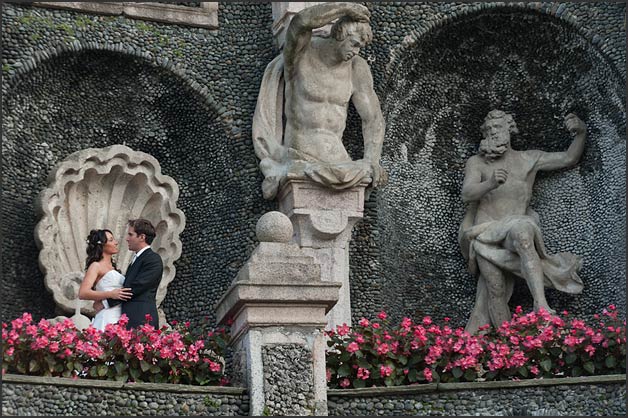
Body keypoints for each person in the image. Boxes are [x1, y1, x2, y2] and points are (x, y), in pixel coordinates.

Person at [459, 110, 586, 334]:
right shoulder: (477, 162)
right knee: (494, 289)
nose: (492, 133)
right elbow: (467, 194)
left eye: (497, 128)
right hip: (485, 233)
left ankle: (541, 304)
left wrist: (580, 133)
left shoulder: (529, 159)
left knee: (523, 230)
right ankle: (506, 341)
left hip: (514, 226)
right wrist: (489, 183)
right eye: (488, 130)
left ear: (510, 129)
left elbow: (568, 158)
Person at [253, 2, 386, 199]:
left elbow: (373, 119)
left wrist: (372, 159)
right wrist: (345, 8)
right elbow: (301, 22)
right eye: (355, 44)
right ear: (340, 34)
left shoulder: (357, 68)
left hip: (340, 159)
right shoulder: (301, 55)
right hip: (301, 154)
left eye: (361, 46)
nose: (356, 51)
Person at [99, 219, 163, 329]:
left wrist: (106, 302)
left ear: (142, 237)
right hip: (130, 317)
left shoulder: (153, 259)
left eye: (130, 234)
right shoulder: (138, 258)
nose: (127, 239)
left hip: (141, 318)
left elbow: (136, 287)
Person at [79, 229, 133, 331]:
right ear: (102, 245)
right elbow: (83, 293)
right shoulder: (96, 266)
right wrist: (110, 295)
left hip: (120, 316)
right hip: (107, 317)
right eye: (111, 240)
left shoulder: (113, 267)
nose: (116, 243)